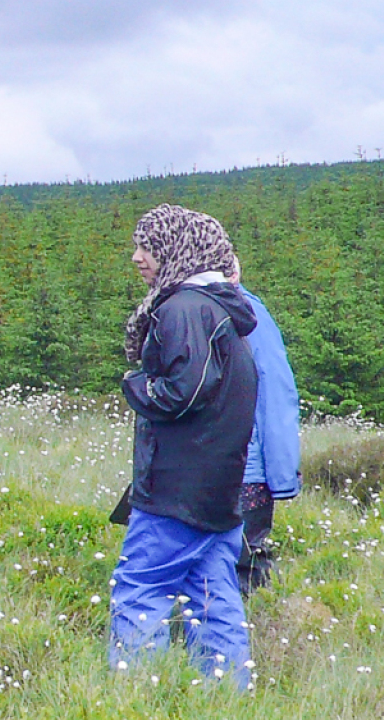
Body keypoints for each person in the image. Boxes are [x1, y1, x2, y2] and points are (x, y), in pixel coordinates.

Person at [111, 204, 259, 688]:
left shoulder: (183, 309)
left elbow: (184, 391)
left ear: (178, 250)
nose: (136, 257)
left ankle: (135, 701)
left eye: (148, 247)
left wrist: (136, 385)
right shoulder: (222, 309)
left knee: (140, 588)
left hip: (177, 487)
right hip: (219, 488)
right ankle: (227, 698)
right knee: (214, 596)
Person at [228, 255, 301, 595]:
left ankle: (257, 639)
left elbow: (276, 396)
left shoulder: (248, 317)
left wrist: (281, 477)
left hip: (247, 472)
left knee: (242, 566)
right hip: (232, 468)